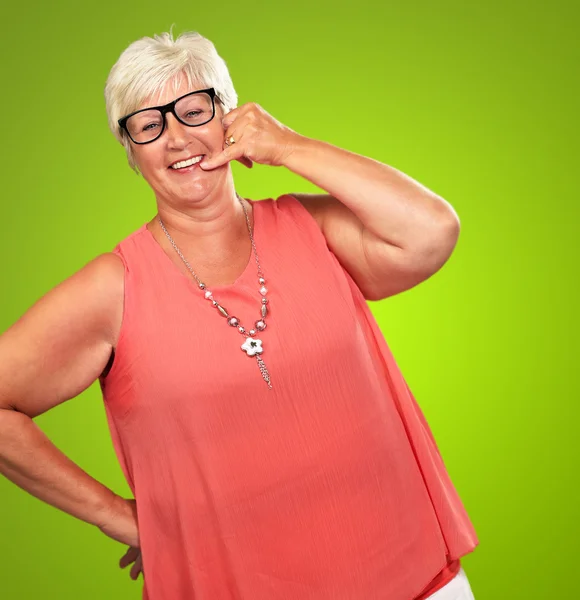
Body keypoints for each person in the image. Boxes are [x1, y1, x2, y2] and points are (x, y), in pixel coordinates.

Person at [0, 29, 479, 599]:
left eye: (194, 110)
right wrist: (118, 517)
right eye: (148, 124)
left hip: (414, 577)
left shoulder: (313, 229)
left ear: (230, 117)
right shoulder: (114, 289)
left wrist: (288, 146)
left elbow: (432, 231)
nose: (176, 138)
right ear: (131, 151)